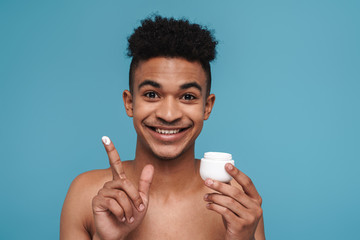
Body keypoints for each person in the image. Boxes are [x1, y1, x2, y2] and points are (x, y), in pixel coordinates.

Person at [60, 15, 265, 240]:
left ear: (207, 107)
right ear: (130, 102)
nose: (168, 115)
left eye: (187, 96)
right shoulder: (86, 195)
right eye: (151, 94)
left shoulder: (236, 203)